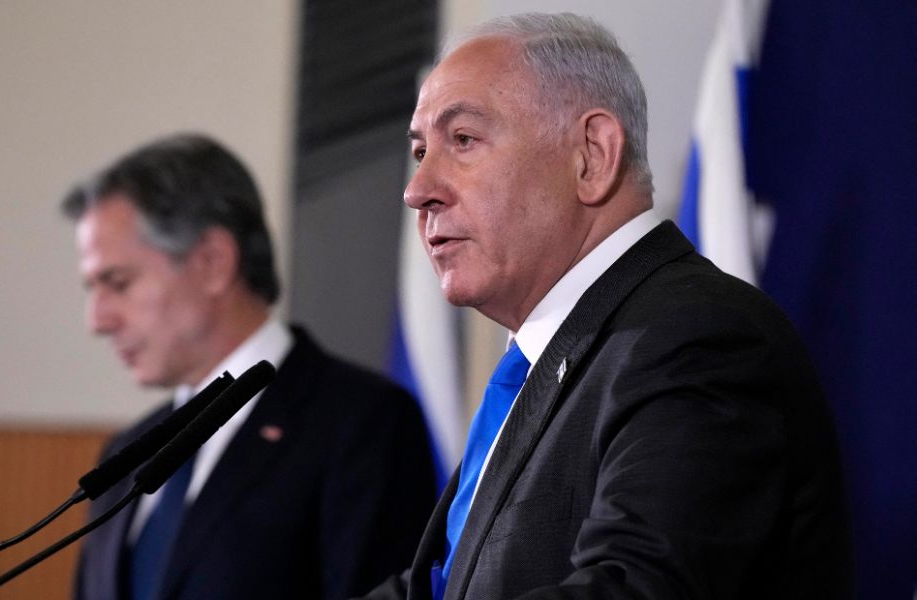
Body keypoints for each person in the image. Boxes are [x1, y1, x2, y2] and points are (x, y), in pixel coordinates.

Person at [363, 12, 851, 600]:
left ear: (592, 156)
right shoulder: (553, 364)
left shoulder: (697, 339)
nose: (417, 190)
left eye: (462, 140)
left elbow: (634, 588)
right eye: (421, 152)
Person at [63, 133, 436, 600]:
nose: (98, 320)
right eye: (92, 289)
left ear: (213, 262)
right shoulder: (124, 457)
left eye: (118, 283)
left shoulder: (364, 425)